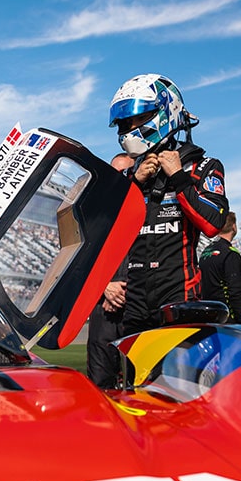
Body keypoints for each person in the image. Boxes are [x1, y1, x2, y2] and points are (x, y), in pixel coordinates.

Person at [108, 73, 228, 333]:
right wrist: (135, 184)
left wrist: (178, 177)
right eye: (127, 122)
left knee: (179, 373)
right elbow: (104, 228)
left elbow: (213, 224)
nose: (131, 128)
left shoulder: (202, 166)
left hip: (179, 301)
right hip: (134, 304)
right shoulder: (130, 177)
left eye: (140, 118)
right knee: (132, 373)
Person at [86, 153, 134, 387]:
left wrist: (127, 291)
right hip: (102, 309)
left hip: (136, 306)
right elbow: (79, 261)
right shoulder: (94, 214)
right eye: (113, 173)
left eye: (124, 173)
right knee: (100, 385)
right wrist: (104, 285)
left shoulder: (148, 212)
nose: (118, 179)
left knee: (140, 386)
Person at [199, 211, 241, 324]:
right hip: (225, 317)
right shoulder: (230, 254)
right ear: (234, 227)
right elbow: (234, 292)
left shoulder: (205, 251)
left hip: (208, 315)